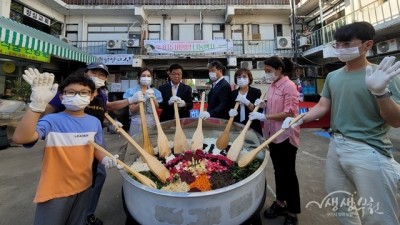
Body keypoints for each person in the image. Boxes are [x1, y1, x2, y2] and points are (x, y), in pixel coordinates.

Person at [283, 22, 400, 225]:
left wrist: (381, 93)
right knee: (338, 200)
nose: (340, 49)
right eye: (337, 44)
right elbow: (322, 106)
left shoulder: (384, 76)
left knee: (377, 215)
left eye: (347, 44)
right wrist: (297, 119)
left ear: (367, 44)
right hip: (336, 144)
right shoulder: (333, 76)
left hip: (369, 150)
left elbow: (396, 121)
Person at [12, 70, 119, 225]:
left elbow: (96, 148)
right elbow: (21, 137)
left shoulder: (94, 122)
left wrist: (105, 158)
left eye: (84, 92)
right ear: (61, 96)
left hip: (84, 186)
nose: (77, 96)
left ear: (91, 96)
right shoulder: (51, 121)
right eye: (71, 92)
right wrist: (36, 106)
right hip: (55, 190)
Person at [44, 62, 135, 225]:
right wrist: (42, 119)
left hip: (96, 142)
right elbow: (48, 113)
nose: (98, 77)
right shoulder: (72, 91)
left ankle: (87, 213)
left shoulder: (101, 94)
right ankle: (67, 215)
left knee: (97, 175)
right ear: (85, 73)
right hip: (70, 143)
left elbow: (102, 113)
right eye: (94, 73)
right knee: (73, 178)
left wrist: (111, 123)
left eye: (102, 75)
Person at [249, 57, 300, 225]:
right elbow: (273, 106)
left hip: (285, 136)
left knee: (289, 174)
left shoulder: (289, 86)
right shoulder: (272, 86)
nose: (267, 74)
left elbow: (290, 113)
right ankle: (280, 202)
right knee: (278, 171)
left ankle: (292, 212)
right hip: (271, 135)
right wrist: (263, 104)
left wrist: (264, 116)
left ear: (279, 70)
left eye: (269, 71)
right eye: (265, 71)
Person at [123, 68, 163, 136]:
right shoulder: (131, 91)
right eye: (143, 76)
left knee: (152, 143)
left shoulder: (155, 92)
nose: (146, 78)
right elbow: (132, 110)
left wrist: (153, 98)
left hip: (151, 121)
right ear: (138, 78)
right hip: (137, 121)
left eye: (148, 76)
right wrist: (143, 100)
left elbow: (157, 107)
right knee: (137, 143)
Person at [228, 68, 262, 135]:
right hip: (236, 126)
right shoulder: (232, 93)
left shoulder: (256, 92)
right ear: (236, 80)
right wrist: (230, 112)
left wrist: (246, 102)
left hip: (252, 126)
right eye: (239, 77)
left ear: (249, 79)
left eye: (244, 77)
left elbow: (257, 110)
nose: (241, 79)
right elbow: (228, 108)